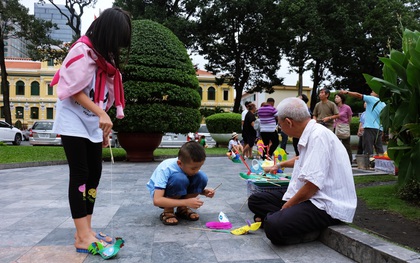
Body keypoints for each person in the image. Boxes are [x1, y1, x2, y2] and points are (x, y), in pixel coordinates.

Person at [51, 7, 132, 254]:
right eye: (117, 39)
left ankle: (85, 230)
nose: (118, 47)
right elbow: (72, 89)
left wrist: (104, 127)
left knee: (94, 173)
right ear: (108, 33)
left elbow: (103, 97)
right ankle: (82, 237)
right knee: (80, 173)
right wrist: (101, 114)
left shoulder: (103, 58)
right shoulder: (81, 51)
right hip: (73, 118)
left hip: (92, 122)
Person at [248, 97, 357, 245]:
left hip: (325, 203)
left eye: (280, 125)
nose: (280, 129)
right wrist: (279, 165)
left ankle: (304, 230)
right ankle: (280, 219)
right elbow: (301, 160)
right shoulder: (310, 133)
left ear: (288, 122)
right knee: (256, 200)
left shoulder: (318, 136)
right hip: (311, 196)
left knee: (273, 226)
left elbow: (312, 186)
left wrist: (287, 207)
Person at [146, 141, 215, 225]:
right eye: (193, 168)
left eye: (199, 167)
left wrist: (204, 192)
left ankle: (182, 209)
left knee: (201, 177)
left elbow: (189, 183)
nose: (196, 171)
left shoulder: (188, 166)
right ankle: (168, 211)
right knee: (179, 178)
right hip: (163, 196)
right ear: (179, 163)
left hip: (179, 192)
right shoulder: (166, 168)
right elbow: (157, 200)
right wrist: (186, 202)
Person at [340, 90, 385, 155]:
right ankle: (381, 163)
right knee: (379, 148)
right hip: (379, 129)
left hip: (370, 128)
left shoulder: (372, 99)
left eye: (372, 92)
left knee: (368, 148)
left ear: (377, 93)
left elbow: (359, 95)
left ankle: (368, 163)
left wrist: (347, 92)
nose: (370, 93)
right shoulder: (383, 103)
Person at [334, 93, 353, 163]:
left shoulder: (347, 107)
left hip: (344, 127)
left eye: (337, 97)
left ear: (341, 98)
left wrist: (348, 125)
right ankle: (338, 161)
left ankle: (349, 161)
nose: (336, 98)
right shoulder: (334, 107)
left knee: (347, 145)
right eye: (335, 97)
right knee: (336, 145)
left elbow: (350, 117)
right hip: (336, 127)